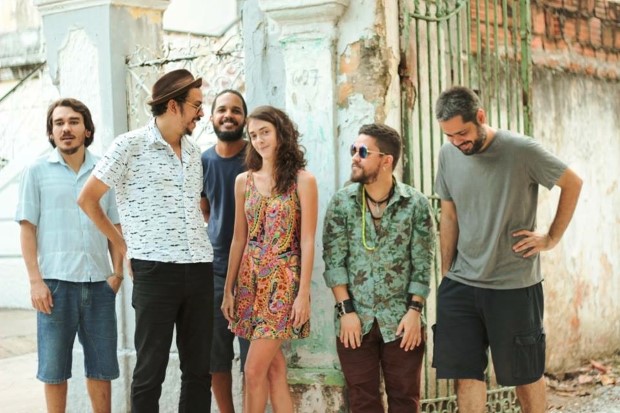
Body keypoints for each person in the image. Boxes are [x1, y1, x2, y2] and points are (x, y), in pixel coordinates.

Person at [432, 86, 583, 413]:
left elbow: (572, 183)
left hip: (513, 285)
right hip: (461, 284)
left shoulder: (520, 150)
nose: (457, 142)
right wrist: (447, 276)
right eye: (449, 136)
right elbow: (449, 215)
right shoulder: (448, 154)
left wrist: (551, 238)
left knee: (525, 375)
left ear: (480, 117)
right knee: (465, 375)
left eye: (462, 133)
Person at [77, 69, 215, 412]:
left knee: (199, 371)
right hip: (155, 270)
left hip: (199, 267)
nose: (202, 112)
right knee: (150, 371)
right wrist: (124, 246)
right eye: (196, 105)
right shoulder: (129, 145)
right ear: (173, 105)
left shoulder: (194, 151)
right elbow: (87, 199)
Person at [16, 98, 122, 413]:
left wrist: (117, 274)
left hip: (99, 284)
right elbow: (27, 229)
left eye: (74, 121)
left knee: (102, 368)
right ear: (51, 132)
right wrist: (35, 282)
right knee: (54, 370)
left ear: (87, 129)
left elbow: (115, 226)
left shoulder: (104, 171)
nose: (66, 128)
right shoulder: (36, 171)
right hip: (54, 286)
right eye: (59, 123)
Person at [322, 123, 436, 412]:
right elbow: (334, 261)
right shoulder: (342, 202)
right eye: (353, 150)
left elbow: (422, 264)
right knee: (363, 402)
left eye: (362, 152)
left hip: (402, 320)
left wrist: (415, 312)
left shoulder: (416, 204)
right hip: (354, 320)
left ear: (386, 161)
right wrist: (346, 312)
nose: (354, 157)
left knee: (405, 400)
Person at [221, 105, 318, 413]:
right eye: (253, 135)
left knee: (253, 371)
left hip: (283, 284)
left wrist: (303, 293)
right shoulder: (243, 181)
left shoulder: (303, 181)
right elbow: (239, 238)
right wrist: (228, 290)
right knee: (274, 370)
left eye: (265, 132)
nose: (259, 140)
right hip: (249, 283)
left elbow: (307, 240)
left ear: (281, 133)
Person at [200, 89, 250, 413]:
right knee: (215, 356)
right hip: (215, 271)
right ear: (212, 117)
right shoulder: (203, 161)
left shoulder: (255, 158)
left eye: (235, 110)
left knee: (253, 359)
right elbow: (205, 208)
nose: (228, 115)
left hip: (255, 272)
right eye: (222, 110)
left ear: (244, 118)